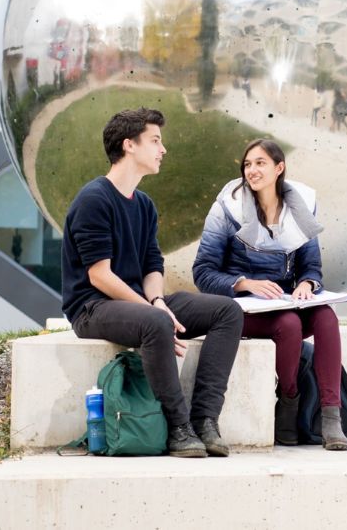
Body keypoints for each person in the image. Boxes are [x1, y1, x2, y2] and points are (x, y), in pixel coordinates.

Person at [61, 108, 242, 458]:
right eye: (155, 141)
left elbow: (152, 264)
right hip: (92, 307)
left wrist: (157, 302)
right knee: (156, 320)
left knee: (227, 311)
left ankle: (205, 419)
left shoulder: (143, 204)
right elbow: (99, 275)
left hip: (140, 305)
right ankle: (179, 428)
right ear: (129, 145)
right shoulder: (94, 199)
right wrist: (153, 313)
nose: (163, 149)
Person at [192, 138, 347, 450]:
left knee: (326, 316)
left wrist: (306, 284)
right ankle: (288, 400)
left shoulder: (299, 207)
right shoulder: (227, 207)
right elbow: (203, 272)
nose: (252, 170)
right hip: (242, 310)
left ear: (279, 168)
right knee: (289, 324)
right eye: (247, 164)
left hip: (284, 302)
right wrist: (245, 283)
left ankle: (332, 418)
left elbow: (312, 266)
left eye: (260, 163)